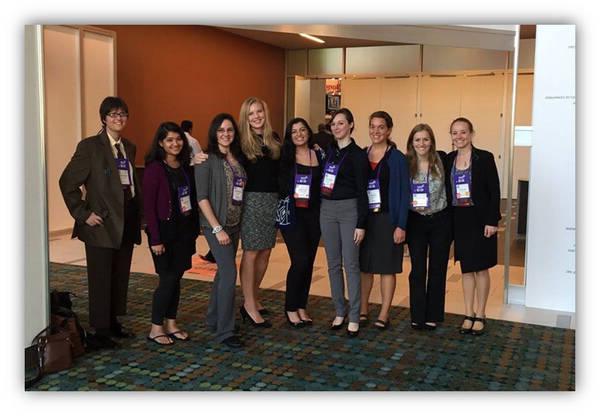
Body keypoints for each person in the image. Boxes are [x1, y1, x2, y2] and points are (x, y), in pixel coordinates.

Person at [59, 96, 141, 348]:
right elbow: (67, 182)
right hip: (100, 223)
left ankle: (113, 322)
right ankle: (101, 330)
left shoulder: (129, 146)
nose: (119, 118)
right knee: (101, 277)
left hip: (125, 220)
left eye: (123, 114)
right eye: (113, 114)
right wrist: (83, 214)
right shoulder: (90, 147)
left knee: (119, 275)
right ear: (104, 118)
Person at [143, 122, 199, 345]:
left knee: (176, 279)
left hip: (184, 233)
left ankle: (171, 323)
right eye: (169, 140)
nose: (175, 144)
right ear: (161, 143)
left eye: (178, 139)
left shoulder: (186, 167)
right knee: (167, 280)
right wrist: (155, 239)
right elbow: (148, 209)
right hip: (163, 234)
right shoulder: (154, 169)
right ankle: (156, 328)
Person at [444, 117, 501, 336]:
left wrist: (492, 220)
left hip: (480, 218)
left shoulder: (484, 158)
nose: (459, 136)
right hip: (460, 219)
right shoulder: (448, 159)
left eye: (463, 132)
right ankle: (468, 313)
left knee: (481, 267)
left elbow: (494, 191)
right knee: (466, 268)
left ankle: (481, 314)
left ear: (471, 134)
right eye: (454, 133)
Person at [195, 113, 247, 349]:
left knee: (222, 274)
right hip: (216, 226)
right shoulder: (206, 160)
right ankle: (225, 332)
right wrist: (217, 229)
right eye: (221, 130)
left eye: (229, 130)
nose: (226, 134)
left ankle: (214, 318)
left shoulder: (237, 158)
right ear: (214, 133)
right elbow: (201, 198)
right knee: (229, 274)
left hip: (235, 223)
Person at [320, 108, 369, 336]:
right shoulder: (328, 152)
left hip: (350, 210)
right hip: (327, 209)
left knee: (351, 264)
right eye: (333, 124)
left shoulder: (358, 155)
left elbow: (363, 191)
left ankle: (354, 314)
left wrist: (361, 223)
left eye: (341, 123)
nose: (336, 127)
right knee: (332, 264)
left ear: (350, 125)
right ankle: (339, 310)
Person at [359, 111, 410, 330]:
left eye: (381, 127)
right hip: (365, 220)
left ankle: (384, 312)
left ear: (389, 130)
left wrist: (401, 225)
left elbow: (404, 192)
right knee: (365, 266)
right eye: (372, 126)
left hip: (388, 219)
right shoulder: (362, 154)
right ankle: (362, 308)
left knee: (387, 268)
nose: (376, 131)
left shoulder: (397, 158)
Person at [237, 97, 281, 328]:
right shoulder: (241, 142)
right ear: (245, 117)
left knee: (265, 252)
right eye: (251, 113)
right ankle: (249, 304)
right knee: (252, 252)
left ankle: (253, 296)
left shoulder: (274, 139)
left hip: (271, 200)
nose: (256, 116)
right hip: (251, 201)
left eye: (259, 112)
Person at [405, 123, 452, 330]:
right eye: (417, 140)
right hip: (416, 221)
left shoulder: (442, 160)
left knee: (437, 268)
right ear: (411, 143)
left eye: (425, 139)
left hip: (440, 220)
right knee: (417, 269)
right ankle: (417, 314)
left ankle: (433, 314)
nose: (421, 143)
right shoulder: (406, 164)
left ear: (431, 141)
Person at [278, 117, 323, 327]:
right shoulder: (285, 157)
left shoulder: (318, 154)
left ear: (308, 131)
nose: (299, 134)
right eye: (294, 131)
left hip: (314, 216)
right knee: (300, 260)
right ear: (289, 135)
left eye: (302, 129)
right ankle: (290, 307)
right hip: (292, 216)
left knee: (309, 262)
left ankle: (301, 305)